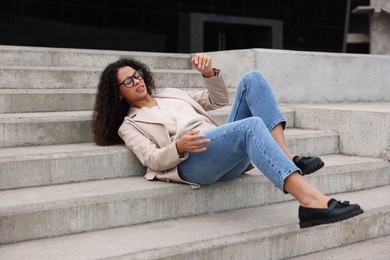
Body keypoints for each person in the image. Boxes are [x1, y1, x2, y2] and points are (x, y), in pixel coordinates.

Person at [92, 53, 363, 228]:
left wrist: (209, 74)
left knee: (252, 79)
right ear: (118, 94)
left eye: (137, 74)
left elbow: (217, 100)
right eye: (128, 81)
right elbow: (151, 158)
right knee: (251, 126)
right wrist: (179, 146)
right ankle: (311, 202)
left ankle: (286, 156)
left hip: (219, 147)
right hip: (193, 161)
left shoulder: (170, 94)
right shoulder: (129, 125)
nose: (136, 81)